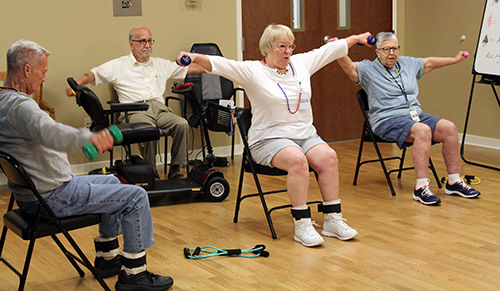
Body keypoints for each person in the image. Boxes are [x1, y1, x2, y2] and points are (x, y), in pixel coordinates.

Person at [176, 24, 372, 247]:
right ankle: (302, 224)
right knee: (298, 160)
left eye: (290, 46)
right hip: (267, 139)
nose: (288, 51)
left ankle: (332, 219)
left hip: (305, 134)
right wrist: (192, 56)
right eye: (282, 47)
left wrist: (356, 38)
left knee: (329, 157)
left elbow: (329, 50)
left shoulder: (300, 63)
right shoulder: (252, 70)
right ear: (267, 49)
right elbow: (219, 64)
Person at [1, 39, 173, 291]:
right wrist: (91, 138)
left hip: (33, 196)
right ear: (27, 70)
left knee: (114, 181)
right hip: (53, 196)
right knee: (135, 196)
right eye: (43, 72)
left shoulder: (3, 101)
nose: (43, 79)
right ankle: (135, 275)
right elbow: (53, 133)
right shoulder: (22, 107)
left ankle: (107, 259)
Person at [337, 31, 481, 205]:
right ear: (377, 51)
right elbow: (349, 67)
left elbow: (429, 63)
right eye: (386, 49)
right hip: (386, 119)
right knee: (422, 130)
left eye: (395, 49)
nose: (392, 53)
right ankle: (421, 188)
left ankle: (454, 182)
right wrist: (337, 47)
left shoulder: (407, 63)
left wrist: (454, 59)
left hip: (414, 116)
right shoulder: (368, 69)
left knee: (449, 128)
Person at [66, 26, 204, 179]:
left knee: (182, 124)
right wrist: (76, 85)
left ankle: (175, 169)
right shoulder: (119, 65)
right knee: (148, 130)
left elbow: (191, 69)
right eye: (142, 41)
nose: (147, 45)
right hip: (134, 110)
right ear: (131, 44)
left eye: (150, 41)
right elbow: (93, 74)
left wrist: (214, 66)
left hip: (160, 110)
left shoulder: (160, 64)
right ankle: (151, 172)